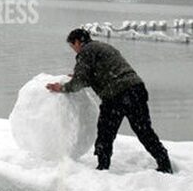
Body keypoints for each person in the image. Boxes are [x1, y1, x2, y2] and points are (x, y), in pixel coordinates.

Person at [46, 28, 172, 173]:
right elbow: (99, 73)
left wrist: (61, 88)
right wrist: (80, 76)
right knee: (144, 130)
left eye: (72, 46)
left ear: (77, 42)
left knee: (105, 132)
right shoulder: (103, 47)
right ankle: (164, 163)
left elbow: (79, 82)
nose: (74, 50)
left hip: (116, 94)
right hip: (136, 88)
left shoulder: (85, 51)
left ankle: (102, 167)